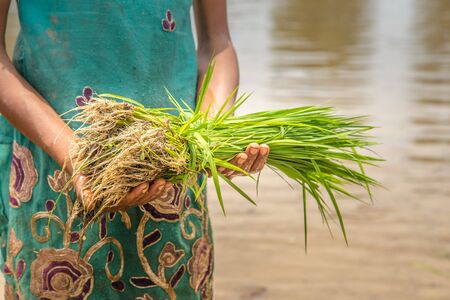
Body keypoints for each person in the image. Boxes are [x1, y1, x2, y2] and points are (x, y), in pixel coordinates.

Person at [0, 1, 269, 299]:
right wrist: (75, 155)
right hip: (56, 166)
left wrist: (211, 135)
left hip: (174, 174)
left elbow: (217, 43)